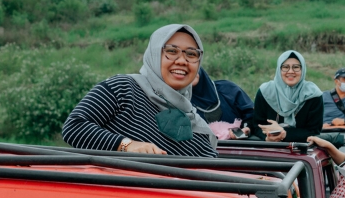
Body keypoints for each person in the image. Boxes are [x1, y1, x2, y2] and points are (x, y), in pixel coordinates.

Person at [62, 24, 218, 157]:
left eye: (191, 54)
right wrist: (126, 145)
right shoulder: (123, 88)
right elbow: (75, 127)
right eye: (171, 51)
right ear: (155, 54)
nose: (182, 61)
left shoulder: (199, 131)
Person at [247, 50, 324, 142]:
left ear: (303, 69)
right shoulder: (265, 91)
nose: (290, 71)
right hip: (269, 147)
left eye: (296, 67)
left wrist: (284, 133)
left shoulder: (313, 94)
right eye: (285, 67)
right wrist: (267, 138)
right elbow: (257, 126)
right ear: (279, 69)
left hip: (303, 150)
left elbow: (314, 131)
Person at [190, 67, 255, 139]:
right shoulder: (179, 103)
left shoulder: (227, 89)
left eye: (192, 68)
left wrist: (245, 130)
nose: (190, 73)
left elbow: (251, 114)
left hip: (237, 146)